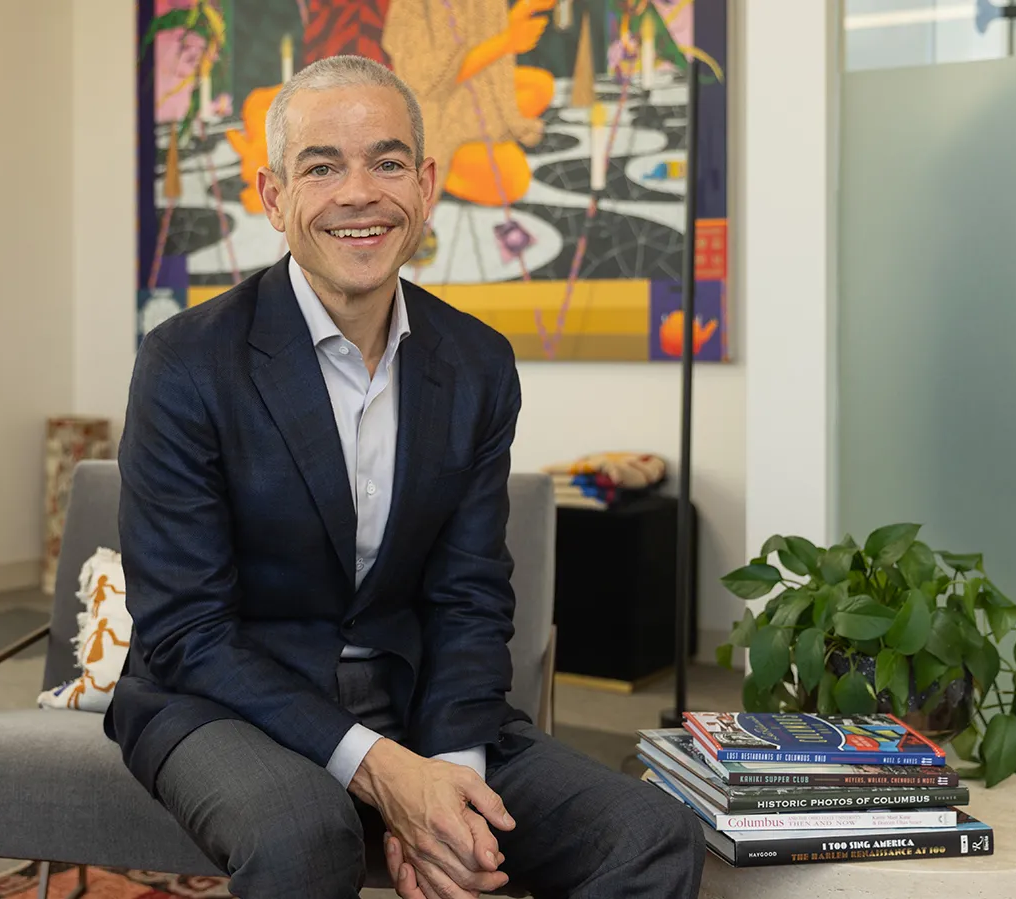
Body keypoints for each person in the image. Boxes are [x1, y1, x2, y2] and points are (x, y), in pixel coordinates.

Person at [107, 56, 704, 899]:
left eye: (386, 162)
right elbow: (187, 631)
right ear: (273, 198)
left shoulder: (476, 363)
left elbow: (468, 592)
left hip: (417, 700)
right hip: (221, 699)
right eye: (321, 166)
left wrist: (445, 787)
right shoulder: (186, 361)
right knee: (301, 834)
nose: (359, 193)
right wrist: (385, 773)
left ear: (424, 186)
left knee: (648, 832)